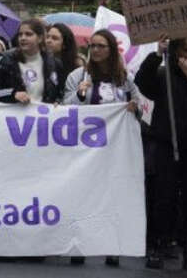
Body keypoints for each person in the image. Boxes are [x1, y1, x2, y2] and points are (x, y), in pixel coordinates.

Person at [135, 36, 187, 271]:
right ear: (174, 52)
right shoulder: (163, 76)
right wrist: (155, 55)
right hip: (166, 144)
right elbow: (143, 83)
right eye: (185, 49)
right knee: (164, 198)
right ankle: (159, 245)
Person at [64, 28, 140, 266]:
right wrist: (79, 94)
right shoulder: (78, 75)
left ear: (111, 50)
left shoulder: (125, 78)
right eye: (92, 46)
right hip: (85, 149)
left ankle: (112, 246)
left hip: (115, 150)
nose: (95, 50)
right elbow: (66, 106)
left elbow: (140, 104)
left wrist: (133, 107)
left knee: (112, 196)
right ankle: (78, 245)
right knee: (83, 196)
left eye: (100, 46)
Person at [0, 18, 62, 104]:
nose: (23, 38)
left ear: (40, 38)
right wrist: (13, 94)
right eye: (20, 35)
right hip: (12, 116)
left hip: (43, 116)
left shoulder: (54, 63)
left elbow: (60, 93)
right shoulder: (4, 59)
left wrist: (57, 101)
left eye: (28, 34)